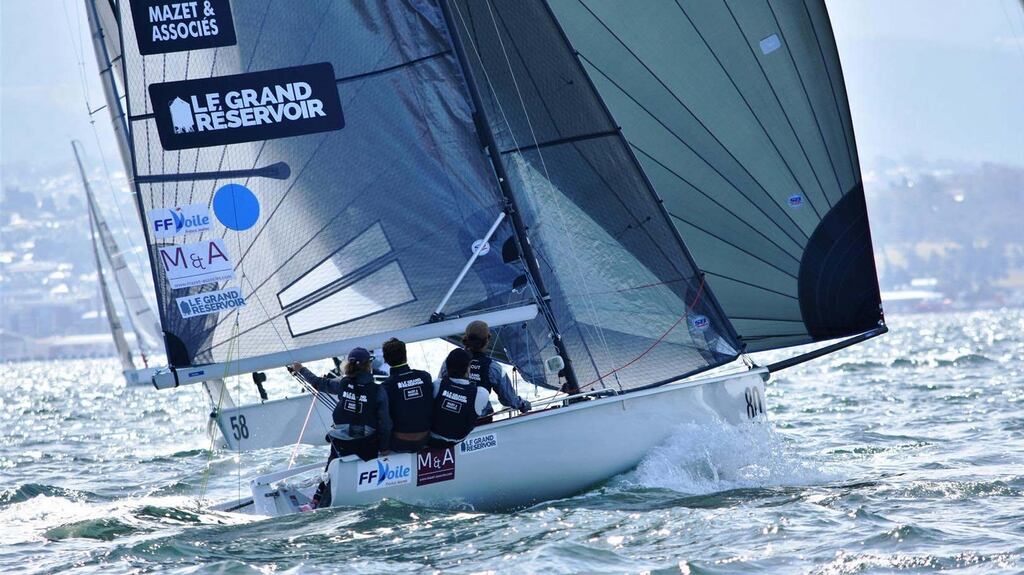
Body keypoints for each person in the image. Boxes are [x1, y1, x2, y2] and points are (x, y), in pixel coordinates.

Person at [291, 347, 390, 509]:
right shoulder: (378, 390)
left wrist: (301, 370)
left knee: (331, 464)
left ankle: (315, 501)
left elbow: (318, 383)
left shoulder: (343, 384)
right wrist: (385, 447)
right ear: (368, 365)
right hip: (367, 444)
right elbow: (385, 423)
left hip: (342, 442)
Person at [438, 320, 531, 416]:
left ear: (466, 338)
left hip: (450, 415)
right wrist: (523, 404)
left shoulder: (450, 360)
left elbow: (440, 385)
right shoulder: (494, 368)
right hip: (480, 418)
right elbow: (508, 400)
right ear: (488, 339)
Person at [378, 338, 433, 454]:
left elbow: (384, 421)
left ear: (386, 360)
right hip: (425, 438)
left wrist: (384, 447)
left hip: (400, 442)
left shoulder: (386, 386)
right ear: (406, 355)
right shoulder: (425, 376)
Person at [430, 348, 490, 446]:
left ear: (447, 366)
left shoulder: (437, 385)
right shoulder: (481, 393)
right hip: (457, 439)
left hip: (433, 436)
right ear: (468, 368)